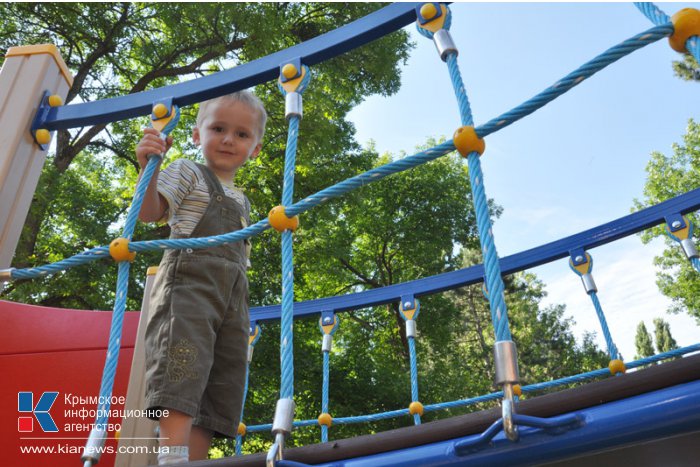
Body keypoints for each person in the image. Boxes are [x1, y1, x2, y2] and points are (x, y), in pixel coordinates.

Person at [136, 90, 266, 464]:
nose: (229, 139)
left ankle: (192, 459)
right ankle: (172, 456)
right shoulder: (187, 171)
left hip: (231, 298)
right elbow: (151, 212)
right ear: (197, 134)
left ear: (255, 148)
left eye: (242, 134)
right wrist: (151, 166)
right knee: (183, 361)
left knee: (221, 379)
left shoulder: (242, 200)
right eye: (219, 128)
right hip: (188, 285)